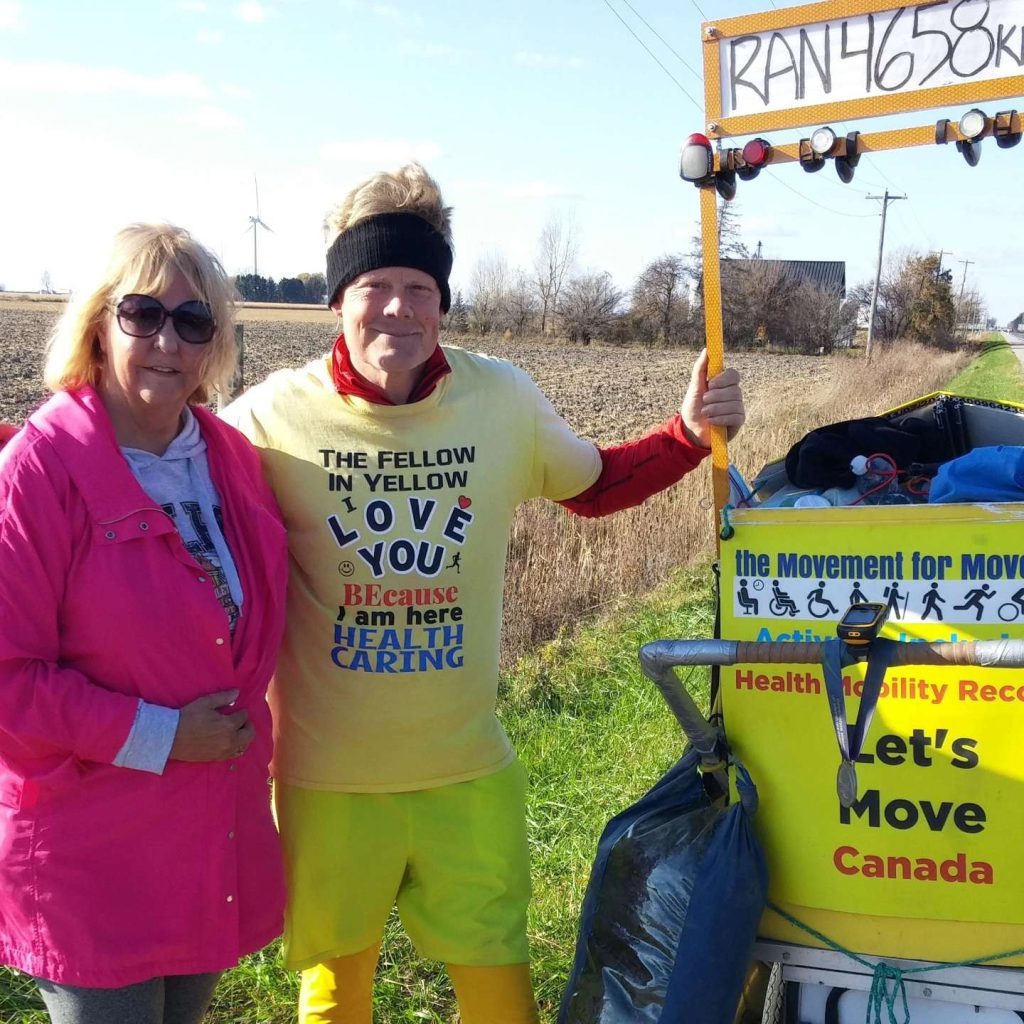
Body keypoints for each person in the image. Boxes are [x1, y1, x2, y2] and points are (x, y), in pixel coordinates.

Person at [222, 162, 745, 1024]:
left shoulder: (499, 397)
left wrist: (688, 434)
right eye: (374, 285)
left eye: (419, 286)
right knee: (333, 997)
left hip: (467, 772)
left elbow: (596, 485)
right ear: (336, 299)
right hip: (325, 780)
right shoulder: (269, 420)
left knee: (501, 994)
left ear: (444, 300)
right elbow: (163, 494)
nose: (398, 308)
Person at [0, 224, 288, 1024]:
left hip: (205, 838)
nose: (169, 340)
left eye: (194, 322)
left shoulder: (232, 459)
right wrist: (162, 733)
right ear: (98, 325)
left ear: (216, 343)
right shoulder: (41, 469)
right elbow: (7, 681)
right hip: (90, 851)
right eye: (142, 314)